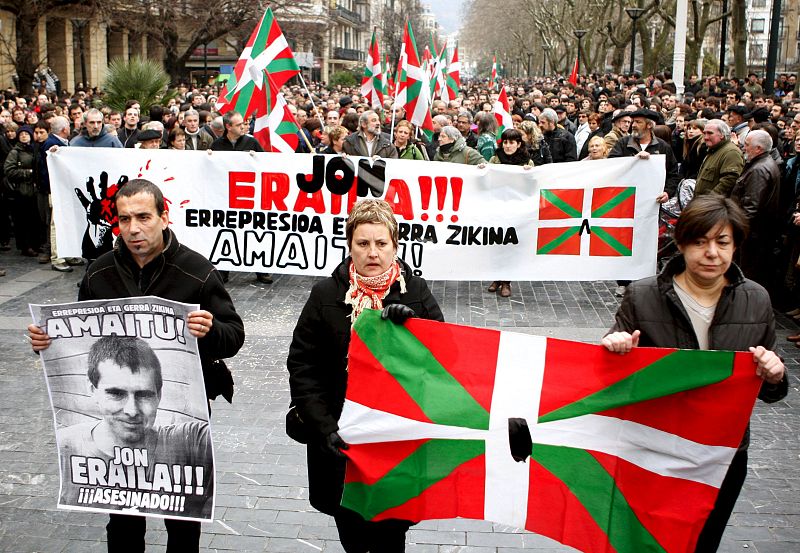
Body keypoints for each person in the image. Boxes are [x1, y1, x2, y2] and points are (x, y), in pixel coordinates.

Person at [28, 178, 245, 553]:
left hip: (183, 405)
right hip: (116, 426)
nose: (133, 228)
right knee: (123, 513)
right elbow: (78, 336)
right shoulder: (100, 273)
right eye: (124, 219)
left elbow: (234, 335)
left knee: (182, 512)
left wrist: (209, 331)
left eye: (143, 217)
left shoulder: (196, 270)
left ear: (164, 217)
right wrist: (46, 343)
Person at [602, 195, 786, 553]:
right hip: (654, 447)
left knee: (703, 541)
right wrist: (617, 346)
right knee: (646, 539)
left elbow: (768, 389)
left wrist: (775, 374)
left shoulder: (757, 300)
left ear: (735, 247)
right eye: (701, 242)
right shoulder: (643, 295)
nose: (712, 253)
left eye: (722, 242)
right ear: (682, 243)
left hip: (722, 454)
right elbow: (612, 373)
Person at [287, 199, 443, 552]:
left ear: (395, 246)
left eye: (381, 243)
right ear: (349, 245)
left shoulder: (415, 293)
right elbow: (303, 365)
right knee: (352, 531)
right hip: (342, 438)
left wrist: (416, 329)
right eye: (363, 243)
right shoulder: (325, 295)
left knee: (391, 534)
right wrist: (324, 426)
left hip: (396, 438)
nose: (372, 252)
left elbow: (442, 360)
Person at [55, 335, 214, 517]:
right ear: (93, 391)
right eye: (116, 393)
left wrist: (211, 329)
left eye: (144, 395)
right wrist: (44, 342)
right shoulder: (66, 446)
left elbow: (230, 336)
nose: (132, 411)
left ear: (158, 395)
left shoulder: (188, 443)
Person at [729, 129, 781, 290]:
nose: (744, 148)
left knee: (747, 272)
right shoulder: (760, 164)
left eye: (747, 145)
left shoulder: (759, 169)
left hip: (752, 233)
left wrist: (736, 229)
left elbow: (751, 207)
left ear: (758, 149)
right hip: (754, 232)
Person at [487, 128, 532, 298]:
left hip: (516, 208)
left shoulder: (526, 161)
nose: (508, 145)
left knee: (510, 244)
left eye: (511, 142)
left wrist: (530, 174)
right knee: (496, 244)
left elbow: (532, 184)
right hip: (497, 206)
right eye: (505, 142)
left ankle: (506, 282)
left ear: (518, 144)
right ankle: (496, 278)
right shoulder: (495, 158)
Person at [4, 125, 41, 257]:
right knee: (23, 220)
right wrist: (28, 173)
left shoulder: (35, 149)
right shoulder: (15, 152)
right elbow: (9, 170)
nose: (24, 136)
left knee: (34, 218)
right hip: (22, 190)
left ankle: (36, 243)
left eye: (26, 134)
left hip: (35, 190)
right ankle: (26, 246)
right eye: (21, 134)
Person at [695, 119, 744, 196]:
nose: (705, 137)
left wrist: (709, 199)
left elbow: (729, 181)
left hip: (713, 204)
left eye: (710, 133)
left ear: (722, 135)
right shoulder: (713, 150)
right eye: (704, 133)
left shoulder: (731, 152)